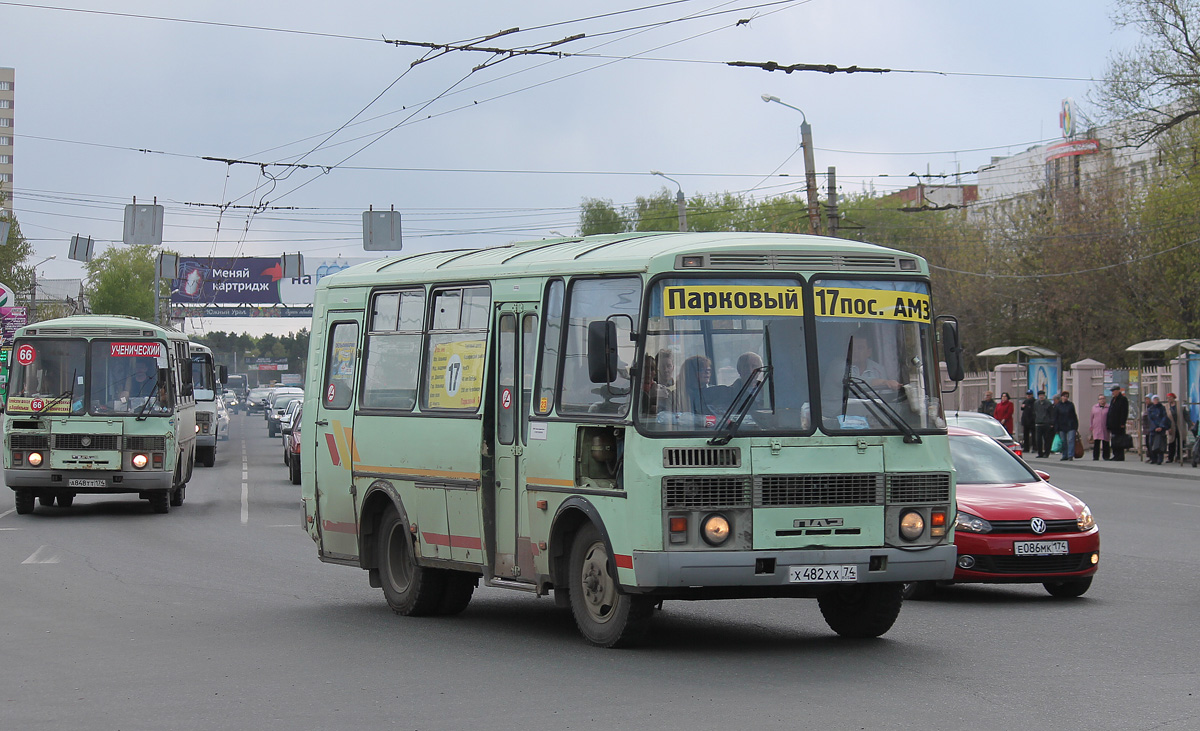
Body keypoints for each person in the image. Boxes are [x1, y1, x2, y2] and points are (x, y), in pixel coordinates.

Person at [1052, 391, 1079, 461]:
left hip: (1071, 425)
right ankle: (1065, 455)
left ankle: (1070, 455)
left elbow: (1074, 416)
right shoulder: (1058, 406)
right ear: (1061, 397)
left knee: (1070, 440)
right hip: (1061, 426)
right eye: (1064, 396)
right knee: (1063, 441)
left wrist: (1076, 426)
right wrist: (1056, 428)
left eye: (1066, 396)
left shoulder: (1070, 405)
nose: (1065, 398)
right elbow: (1056, 417)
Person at [1164, 393, 1190, 464]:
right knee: (1171, 442)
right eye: (1168, 398)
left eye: (1170, 398)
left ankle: (1179, 457)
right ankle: (1170, 457)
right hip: (1171, 427)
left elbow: (1185, 414)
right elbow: (1165, 418)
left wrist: (1189, 423)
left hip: (1180, 426)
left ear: (1173, 398)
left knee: (1180, 442)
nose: (1169, 399)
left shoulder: (1180, 405)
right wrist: (1168, 427)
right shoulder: (1166, 406)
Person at [1107, 385, 1130, 461]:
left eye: (1114, 391)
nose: (1113, 393)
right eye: (1112, 391)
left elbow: (1124, 412)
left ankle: (1120, 455)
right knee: (1114, 440)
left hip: (1119, 424)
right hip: (1113, 424)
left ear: (1118, 391)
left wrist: (1122, 423)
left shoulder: (1123, 399)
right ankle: (1115, 455)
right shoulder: (1113, 399)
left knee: (1119, 440)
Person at [1146, 394, 1171, 465]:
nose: (1155, 401)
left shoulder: (1162, 408)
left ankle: (1160, 459)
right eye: (1154, 399)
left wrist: (1161, 426)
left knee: (1160, 444)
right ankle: (1153, 458)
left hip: (1161, 429)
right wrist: (1155, 427)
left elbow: (1164, 417)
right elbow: (1150, 419)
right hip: (1153, 429)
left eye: (1157, 399)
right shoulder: (1150, 409)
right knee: (1152, 443)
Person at [1034, 389, 1055, 458]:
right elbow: (1034, 412)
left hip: (1046, 423)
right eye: (1040, 395)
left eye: (1042, 395)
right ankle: (1040, 453)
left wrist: (1051, 423)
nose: (1041, 397)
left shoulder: (1048, 403)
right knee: (1038, 439)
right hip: (1038, 423)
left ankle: (1046, 453)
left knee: (1047, 439)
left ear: (1044, 396)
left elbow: (1051, 413)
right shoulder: (1036, 403)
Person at [1091, 393, 1111, 461]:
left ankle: (1106, 456)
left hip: (1105, 427)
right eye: (1100, 399)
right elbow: (1092, 417)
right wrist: (1091, 426)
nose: (1102, 400)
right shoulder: (1094, 407)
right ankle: (1096, 457)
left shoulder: (1108, 407)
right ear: (1098, 400)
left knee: (1105, 442)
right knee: (1096, 442)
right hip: (1096, 427)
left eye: (1103, 399)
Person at [1019, 390, 1036, 454]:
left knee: (1034, 435)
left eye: (1030, 394)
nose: (1028, 396)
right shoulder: (1025, 401)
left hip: (1032, 421)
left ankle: (1034, 447)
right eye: (1027, 394)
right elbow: (1022, 408)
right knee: (1025, 435)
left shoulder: (1034, 402)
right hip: (1025, 421)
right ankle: (1026, 448)